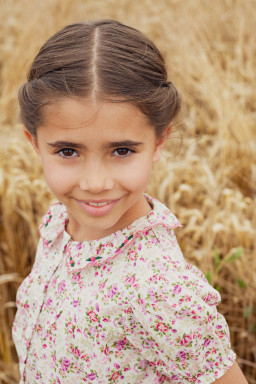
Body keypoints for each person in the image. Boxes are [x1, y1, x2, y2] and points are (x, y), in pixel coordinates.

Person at [12, 20, 248, 384]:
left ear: (160, 142)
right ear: (34, 143)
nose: (94, 183)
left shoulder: (160, 289)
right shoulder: (60, 223)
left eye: (122, 150)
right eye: (67, 151)